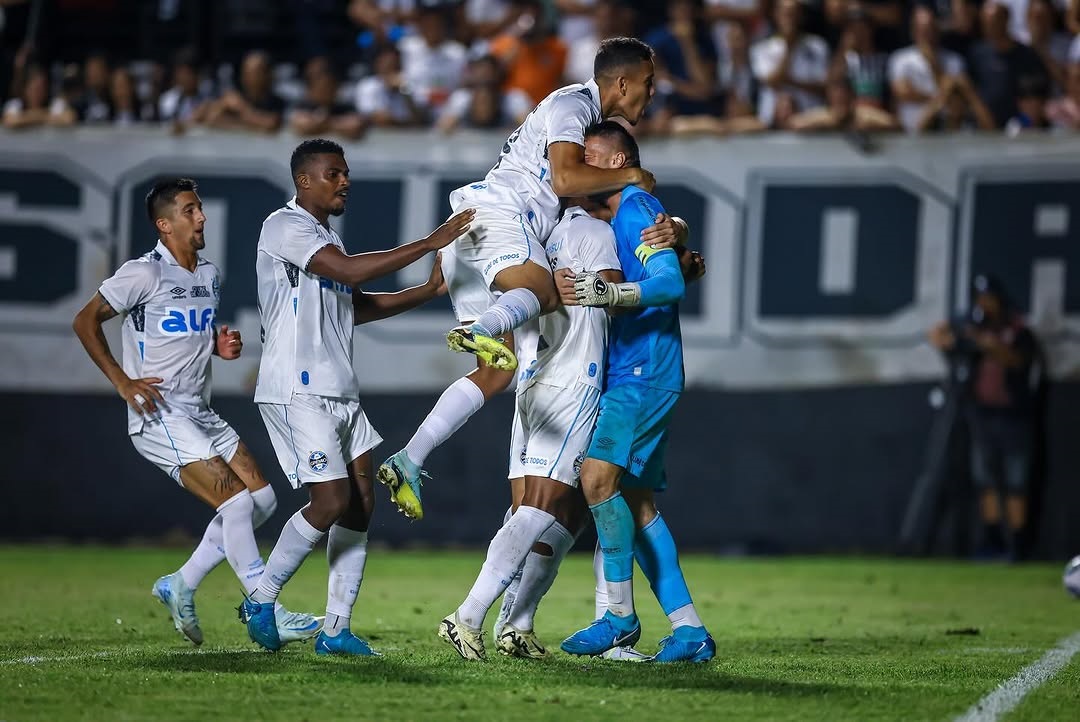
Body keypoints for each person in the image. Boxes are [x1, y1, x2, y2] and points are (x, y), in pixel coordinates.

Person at [377, 36, 669, 523]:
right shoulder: (573, 102)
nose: (652, 92)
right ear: (623, 83)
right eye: (648, 82)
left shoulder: (573, 113)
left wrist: (675, 231)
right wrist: (633, 176)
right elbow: (565, 181)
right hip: (499, 218)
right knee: (545, 291)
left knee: (497, 371)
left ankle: (410, 458)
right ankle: (483, 328)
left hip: (472, 229)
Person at [238, 139, 474, 656]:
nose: (344, 181)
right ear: (304, 180)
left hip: (339, 390)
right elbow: (348, 274)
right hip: (297, 388)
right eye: (333, 173)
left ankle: (336, 630)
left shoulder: (324, 241)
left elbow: (355, 306)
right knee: (331, 500)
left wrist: (427, 292)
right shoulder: (283, 226)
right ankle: (261, 597)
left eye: (346, 173)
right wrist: (431, 242)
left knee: (362, 505)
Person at [71, 178, 321, 647]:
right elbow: (84, 321)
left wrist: (214, 346)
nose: (201, 217)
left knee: (262, 501)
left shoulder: (208, 274)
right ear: (164, 225)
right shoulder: (141, 273)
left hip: (200, 412)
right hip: (159, 414)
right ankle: (265, 609)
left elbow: (175, 337)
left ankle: (181, 582)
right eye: (189, 210)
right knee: (236, 503)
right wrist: (123, 381)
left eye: (199, 208)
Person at [559, 121, 714, 663]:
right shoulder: (621, 212)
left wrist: (610, 292)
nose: (575, 167)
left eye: (589, 158)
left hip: (643, 371)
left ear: (617, 161)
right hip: (642, 369)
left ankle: (619, 616)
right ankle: (690, 630)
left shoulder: (635, 209)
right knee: (638, 503)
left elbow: (670, 283)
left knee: (595, 477)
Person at [928, 274, 1042, 560]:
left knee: (1016, 482)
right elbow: (942, 340)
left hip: (1015, 417)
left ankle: (1018, 545)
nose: (984, 304)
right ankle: (992, 542)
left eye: (988, 297)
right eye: (980, 298)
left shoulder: (1017, 331)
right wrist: (951, 333)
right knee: (986, 480)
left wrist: (986, 342)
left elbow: (1017, 361)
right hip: (982, 416)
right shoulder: (973, 329)